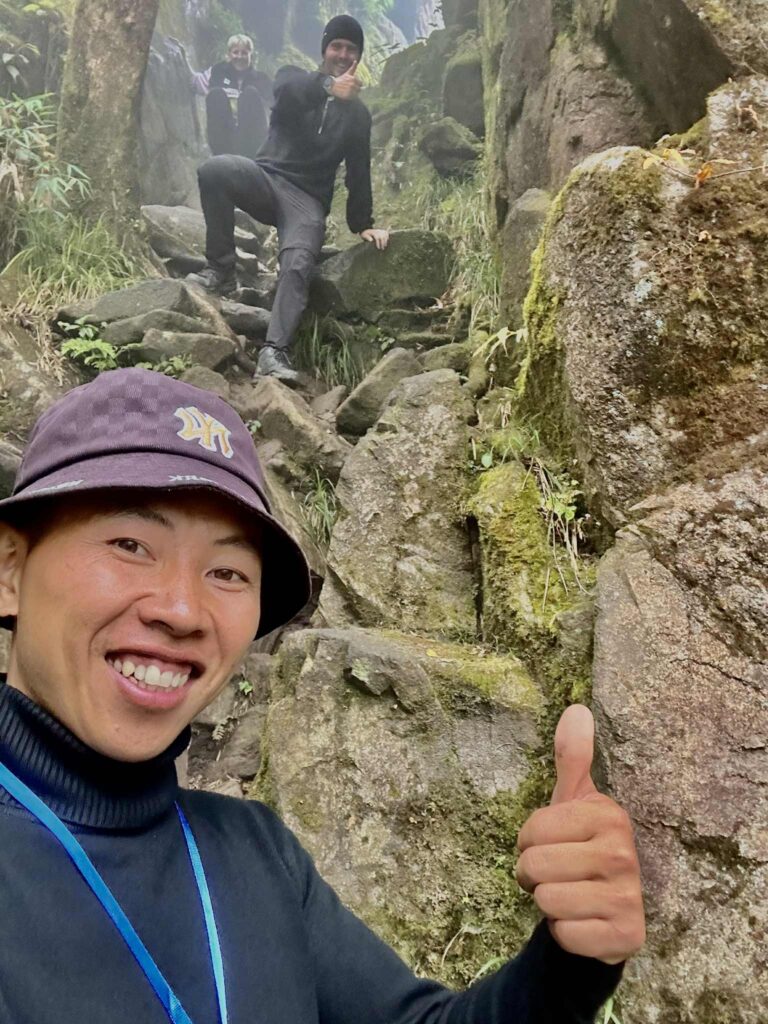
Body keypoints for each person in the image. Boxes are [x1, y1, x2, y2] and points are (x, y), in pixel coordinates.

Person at [0, 366, 645, 1023]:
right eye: (131, 544)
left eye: (226, 570)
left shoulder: (255, 853)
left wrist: (569, 962)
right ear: (11, 572)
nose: (182, 609)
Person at [187, 15, 391, 386]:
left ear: (358, 56)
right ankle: (221, 269)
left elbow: (359, 169)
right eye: (336, 47)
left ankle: (273, 351)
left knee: (298, 261)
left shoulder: (358, 116)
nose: (343, 54)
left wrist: (362, 223)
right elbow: (287, 95)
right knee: (214, 170)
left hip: (306, 200)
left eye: (351, 49)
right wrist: (329, 87)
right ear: (325, 50)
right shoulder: (293, 77)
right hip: (265, 177)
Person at [170, 33, 273, 160]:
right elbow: (194, 81)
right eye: (236, 52)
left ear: (251, 55)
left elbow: (272, 111)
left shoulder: (262, 79)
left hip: (252, 140)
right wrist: (182, 56)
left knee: (250, 94)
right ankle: (221, 156)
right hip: (223, 137)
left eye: (244, 53)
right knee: (216, 94)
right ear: (229, 54)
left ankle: (251, 157)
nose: (239, 56)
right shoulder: (217, 71)